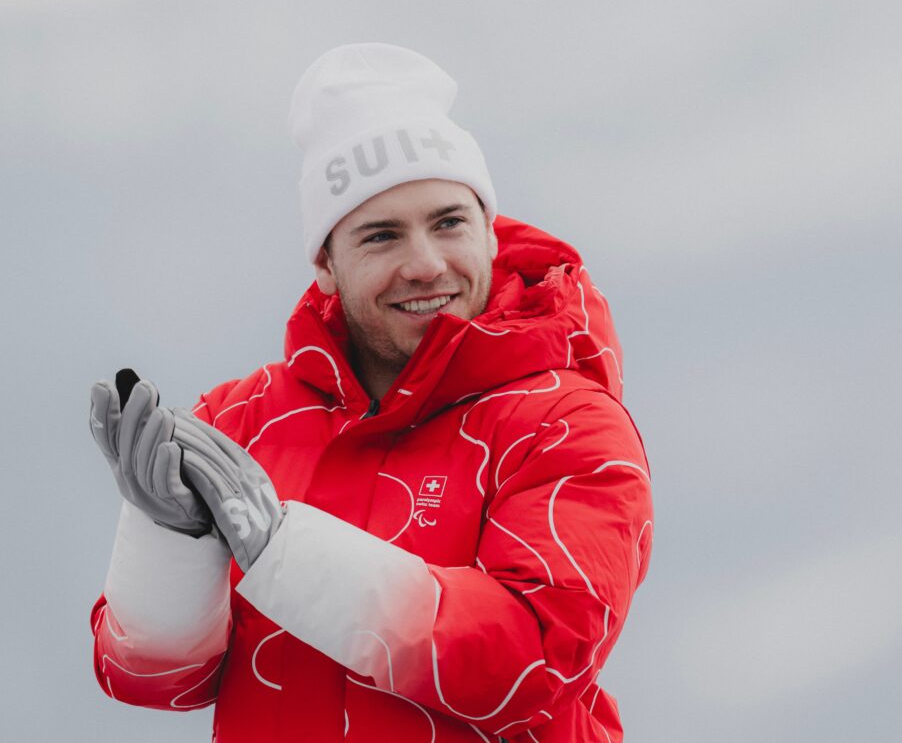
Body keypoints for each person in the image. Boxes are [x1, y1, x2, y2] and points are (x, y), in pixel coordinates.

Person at [87, 43, 653, 743]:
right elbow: (149, 680)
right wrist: (169, 538)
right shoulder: (237, 423)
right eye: (381, 236)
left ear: (488, 228)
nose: (425, 264)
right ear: (326, 263)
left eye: (449, 222)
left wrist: (286, 555)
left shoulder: (569, 425)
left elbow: (533, 663)